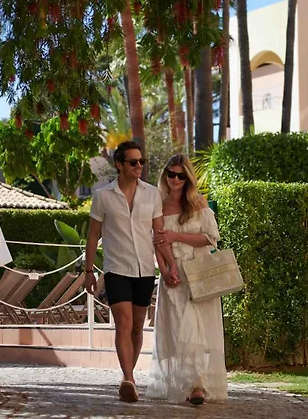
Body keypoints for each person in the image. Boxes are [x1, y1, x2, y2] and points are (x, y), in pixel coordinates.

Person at [84, 141, 179, 403]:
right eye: (133, 162)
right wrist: (88, 270)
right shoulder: (103, 196)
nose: (139, 166)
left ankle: (129, 376)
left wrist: (168, 266)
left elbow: (159, 235)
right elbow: (92, 236)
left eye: (141, 162)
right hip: (116, 269)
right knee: (124, 323)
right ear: (119, 164)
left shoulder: (152, 194)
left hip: (145, 269)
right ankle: (128, 378)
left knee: (137, 327)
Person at [146, 154, 228, 406]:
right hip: (174, 274)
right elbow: (157, 242)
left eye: (181, 175)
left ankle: (197, 385)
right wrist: (164, 270)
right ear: (165, 176)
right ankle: (183, 382)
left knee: (197, 328)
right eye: (171, 174)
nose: (175, 179)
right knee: (177, 328)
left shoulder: (198, 202)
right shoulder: (159, 205)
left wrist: (176, 236)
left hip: (198, 272)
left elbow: (210, 238)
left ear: (188, 178)